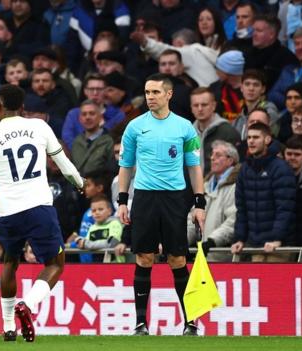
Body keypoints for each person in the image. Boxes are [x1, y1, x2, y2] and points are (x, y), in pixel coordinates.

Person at [0, 84, 84, 342]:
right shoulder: (40, 127)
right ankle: (28, 305)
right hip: (39, 208)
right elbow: (62, 161)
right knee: (55, 263)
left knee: (10, 260)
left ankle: (8, 326)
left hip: (7, 211)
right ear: (23, 107)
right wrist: (79, 182)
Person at [116, 73, 205, 336]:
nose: (150, 97)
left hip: (175, 198)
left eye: (155, 92)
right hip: (144, 197)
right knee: (144, 256)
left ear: (169, 94)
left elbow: (194, 166)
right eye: (147, 92)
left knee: (177, 258)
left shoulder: (186, 127)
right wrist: (123, 200)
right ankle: (140, 323)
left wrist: (199, 202)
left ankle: (190, 323)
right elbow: (126, 165)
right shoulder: (134, 127)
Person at [231, 123, 297, 262]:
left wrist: (277, 239)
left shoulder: (281, 168)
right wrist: (240, 238)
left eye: (256, 137)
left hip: (279, 247)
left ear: (267, 140)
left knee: (277, 283)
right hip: (256, 245)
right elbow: (242, 209)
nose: (251, 141)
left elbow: (285, 208)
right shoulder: (244, 169)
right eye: (249, 137)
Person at [187, 141, 239, 262]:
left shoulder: (236, 186)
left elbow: (233, 221)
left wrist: (212, 241)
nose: (212, 158)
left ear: (230, 160)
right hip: (203, 256)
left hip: (224, 257)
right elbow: (192, 220)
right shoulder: (204, 186)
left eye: (218, 155)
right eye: (212, 154)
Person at [75, 194, 124, 263]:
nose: (97, 212)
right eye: (93, 210)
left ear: (109, 211)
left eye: (100, 209)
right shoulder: (92, 227)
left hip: (116, 265)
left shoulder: (115, 224)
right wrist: (79, 240)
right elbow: (86, 241)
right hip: (96, 266)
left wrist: (86, 244)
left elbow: (111, 243)